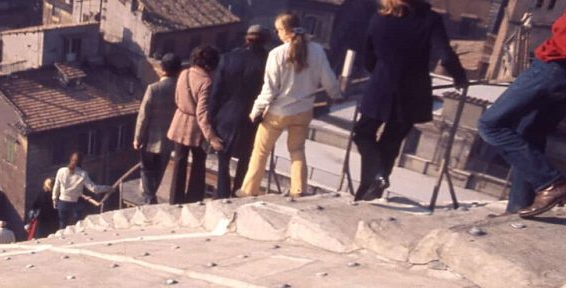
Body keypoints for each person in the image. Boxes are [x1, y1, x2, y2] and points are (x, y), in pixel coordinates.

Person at [354, 0, 467, 201]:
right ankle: (372, 191)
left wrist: (379, 73)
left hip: (381, 87)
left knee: (363, 134)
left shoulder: (379, 19)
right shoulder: (431, 20)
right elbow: (446, 56)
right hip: (413, 91)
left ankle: (373, 181)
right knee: (391, 142)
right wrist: (460, 78)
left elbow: (368, 56)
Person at [241, 12, 341, 198]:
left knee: (261, 151)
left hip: (278, 111)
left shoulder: (276, 54)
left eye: (278, 29)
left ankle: (249, 190)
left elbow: (269, 89)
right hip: (303, 110)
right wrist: (336, 95)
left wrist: (256, 111)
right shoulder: (318, 51)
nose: (277, 33)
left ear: (285, 31)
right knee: (297, 150)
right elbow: (329, 80)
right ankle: (299, 190)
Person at [477, 13, 566, 218]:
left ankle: (551, 183)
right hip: (558, 75)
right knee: (530, 133)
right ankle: (517, 207)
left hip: (552, 68)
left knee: (491, 125)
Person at [212, 25, 272, 198]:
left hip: (227, 115)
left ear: (246, 39)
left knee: (223, 159)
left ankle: (221, 196)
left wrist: (211, 117)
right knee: (247, 158)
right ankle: (239, 192)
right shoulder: (269, 62)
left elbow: (217, 91)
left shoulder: (228, 58)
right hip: (254, 117)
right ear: (266, 41)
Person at [166, 45, 224, 204]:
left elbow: (177, 98)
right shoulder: (206, 82)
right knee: (199, 162)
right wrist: (211, 137)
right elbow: (202, 113)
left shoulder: (183, 73)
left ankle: (174, 200)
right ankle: (193, 199)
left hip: (179, 120)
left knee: (179, 161)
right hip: (196, 127)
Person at [134, 53, 180, 204]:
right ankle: (151, 196)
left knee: (146, 171)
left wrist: (137, 138)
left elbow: (143, 116)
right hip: (170, 139)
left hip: (149, 138)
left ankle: (149, 199)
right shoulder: (180, 89)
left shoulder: (154, 88)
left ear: (162, 69)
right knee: (159, 171)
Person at [52, 153, 112, 229]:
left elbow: (56, 186)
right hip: (75, 204)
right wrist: (108, 188)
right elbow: (94, 188)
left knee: (62, 225)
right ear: (81, 162)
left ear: (70, 159)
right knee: (77, 226)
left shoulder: (61, 171)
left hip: (62, 203)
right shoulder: (83, 174)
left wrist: (54, 199)